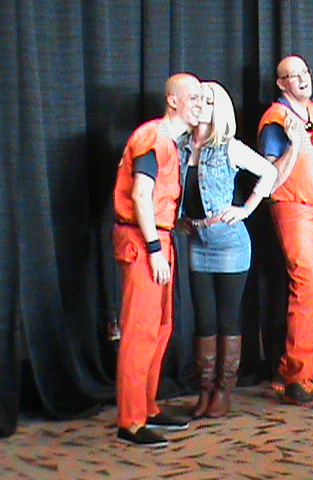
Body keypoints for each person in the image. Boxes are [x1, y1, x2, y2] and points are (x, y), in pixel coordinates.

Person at [112, 73, 202, 447]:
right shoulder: (152, 137)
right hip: (143, 241)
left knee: (161, 327)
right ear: (173, 101)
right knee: (140, 331)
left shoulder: (171, 143)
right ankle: (130, 421)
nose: (200, 105)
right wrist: (153, 249)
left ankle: (147, 408)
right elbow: (141, 195)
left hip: (159, 237)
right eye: (193, 98)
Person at [180, 82, 277, 418]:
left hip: (230, 243)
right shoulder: (181, 146)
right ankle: (205, 390)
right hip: (198, 241)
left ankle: (223, 390)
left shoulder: (228, 148)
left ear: (218, 108)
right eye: (197, 100)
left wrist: (246, 209)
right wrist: (179, 218)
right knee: (204, 319)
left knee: (226, 317)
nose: (201, 106)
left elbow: (269, 171)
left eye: (208, 101)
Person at [257, 55, 313, 406]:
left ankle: (295, 369)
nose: (303, 79)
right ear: (281, 83)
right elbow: (270, 175)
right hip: (294, 206)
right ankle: (297, 378)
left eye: (305, 72)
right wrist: (293, 144)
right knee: (304, 286)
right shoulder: (277, 119)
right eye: (293, 75)